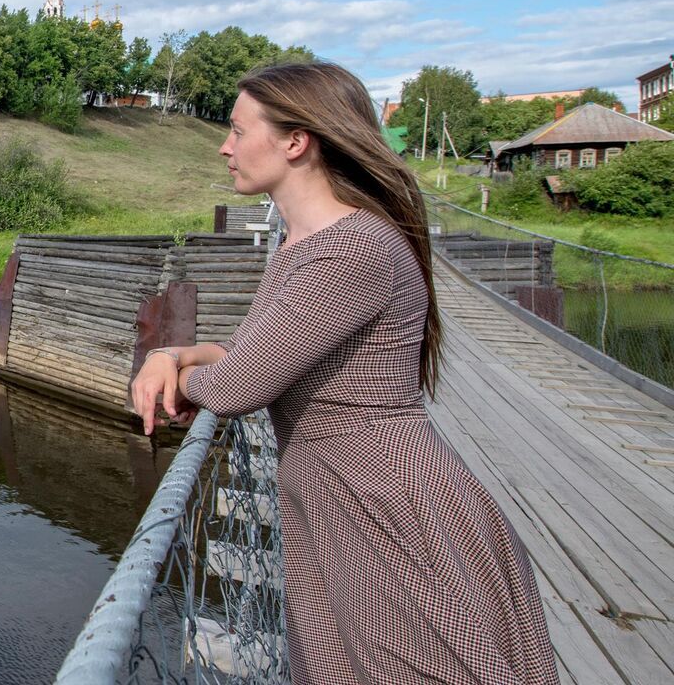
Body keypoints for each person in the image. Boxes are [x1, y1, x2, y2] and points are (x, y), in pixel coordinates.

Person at [129, 61, 557, 685]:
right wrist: (178, 355)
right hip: (341, 494)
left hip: (387, 508)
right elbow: (267, 358)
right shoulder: (312, 243)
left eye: (238, 130)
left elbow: (242, 386)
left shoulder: (348, 250)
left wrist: (174, 376)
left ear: (296, 142)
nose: (225, 146)